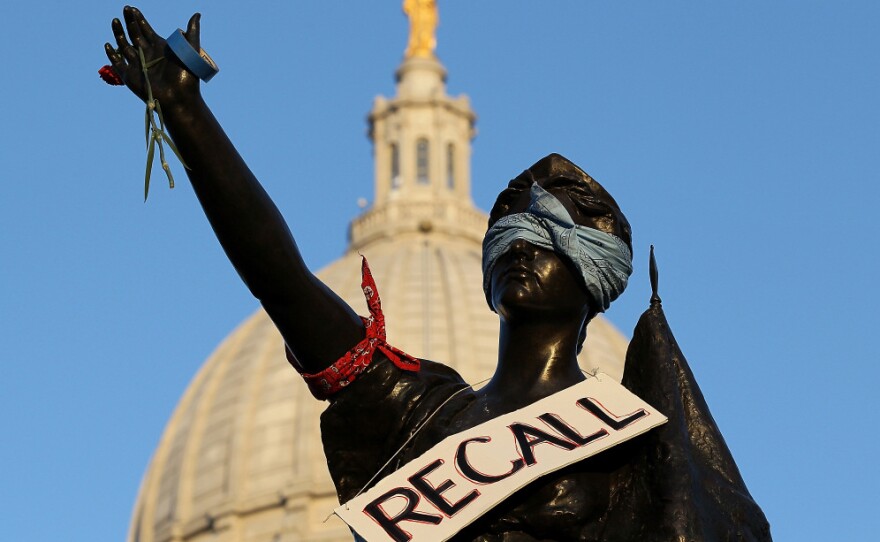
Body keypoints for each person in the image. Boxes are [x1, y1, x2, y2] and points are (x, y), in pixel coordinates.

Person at [104, 8, 771, 541]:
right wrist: (185, 114)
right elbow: (281, 283)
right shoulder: (419, 418)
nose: (521, 248)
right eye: (509, 230)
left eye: (548, 237)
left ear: (593, 280)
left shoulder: (632, 445)